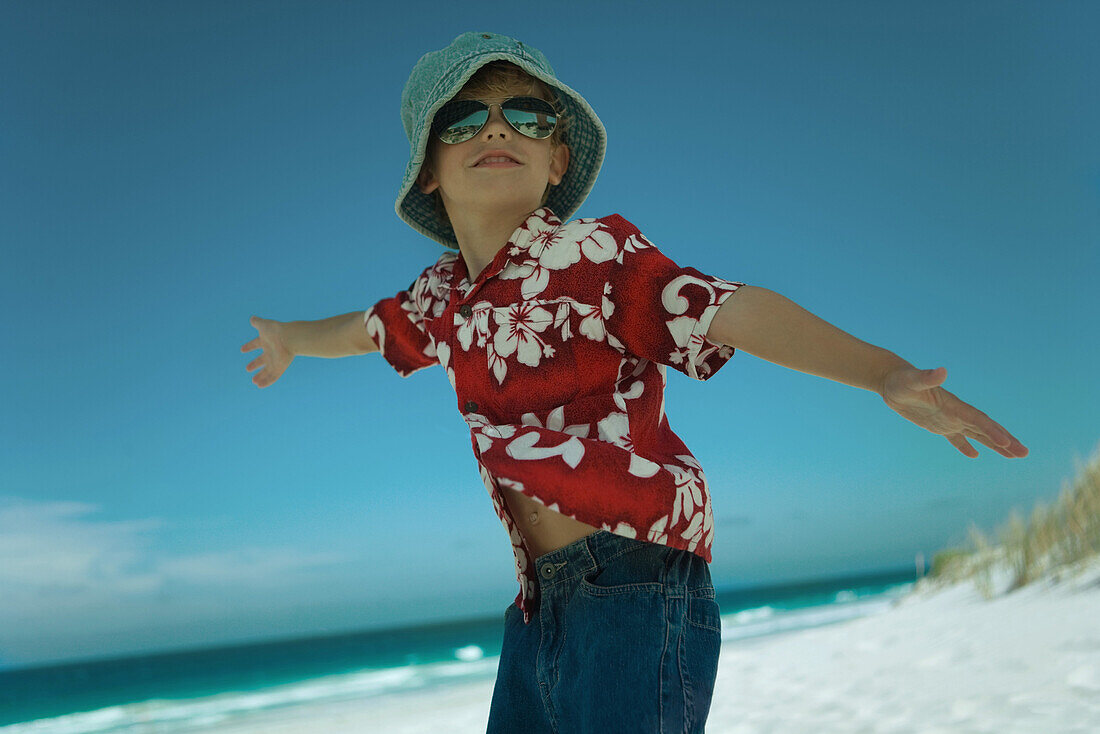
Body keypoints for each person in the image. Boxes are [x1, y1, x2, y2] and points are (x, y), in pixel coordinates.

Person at [240, 31, 1028, 734]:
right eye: (464, 117)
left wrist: (881, 372)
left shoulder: (596, 256)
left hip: (636, 585)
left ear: (558, 162)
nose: (498, 127)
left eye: (528, 114)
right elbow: (363, 329)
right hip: (536, 610)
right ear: (429, 177)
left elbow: (726, 308)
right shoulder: (440, 300)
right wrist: (287, 341)